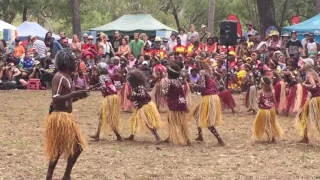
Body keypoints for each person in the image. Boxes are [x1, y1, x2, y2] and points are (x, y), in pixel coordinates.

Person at [45, 49, 88, 180]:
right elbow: (56, 98)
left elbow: (67, 99)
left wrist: (79, 96)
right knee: (57, 150)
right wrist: (75, 93)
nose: (76, 64)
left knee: (76, 147)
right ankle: (54, 176)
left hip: (66, 117)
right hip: (59, 118)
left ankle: (65, 175)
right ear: (66, 62)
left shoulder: (67, 77)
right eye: (74, 61)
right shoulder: (59, 77)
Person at [191, 55, 225, 145]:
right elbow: (216, 85)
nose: (195, 65)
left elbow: (202, 86)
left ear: (199, 63)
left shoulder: (202, 72)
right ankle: (200, 136)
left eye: (196, 63)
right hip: (213, 96)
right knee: (196, 114)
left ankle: (220, 140)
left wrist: (194, 85)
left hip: (208, 97)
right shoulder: (209, 71)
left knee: (207, 120)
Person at [125, 69, 162, 143]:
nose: (129, 83)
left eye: (130, 81)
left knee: (148, 122)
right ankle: (132, 136)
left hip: (144, 106)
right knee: (134, 121)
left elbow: (142, 95)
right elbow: (136, 98)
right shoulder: (134, 87)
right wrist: (130, 98)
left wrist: (132, 94)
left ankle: (158, 137)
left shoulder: (139, 87)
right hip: (139, 106)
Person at [90, 62, 123, 141]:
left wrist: (96, 89)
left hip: (109, 97)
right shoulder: (107, 76)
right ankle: (97, 134)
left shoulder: (101, 77)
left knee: (108, 116)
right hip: (114, 97)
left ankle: (118, 136)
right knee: (102, 115)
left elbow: (103, 87)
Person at [162, 64, 191, 145]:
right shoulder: (178, 81)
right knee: (180, 122)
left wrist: (162, 90)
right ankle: (183, 138)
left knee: (173, 121)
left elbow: (165, 94)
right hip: (181, 104)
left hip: (174, 105)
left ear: (170, 74)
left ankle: (178, 138)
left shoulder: (170, 82)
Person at [297, 58, 320, 144]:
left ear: (307, 65)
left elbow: (313, 86)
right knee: (303, 116)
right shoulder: (313, 73)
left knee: (315, 119)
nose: (301, 65)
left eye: (303, 64)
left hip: (316, 98)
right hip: (315, 98)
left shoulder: (309, 73)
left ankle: (305, 137)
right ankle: (305, 137)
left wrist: (303, 84)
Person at [253, 76, 283, 143]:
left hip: (263, 111)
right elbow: (274, 101)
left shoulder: (260, 92)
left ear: (262, 84)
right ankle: (272, 137)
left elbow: (258, 101)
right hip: (271, 110)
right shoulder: (272, 92)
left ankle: (271, 137)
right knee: (271, 124)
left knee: (265, 125)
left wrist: (257, 101)